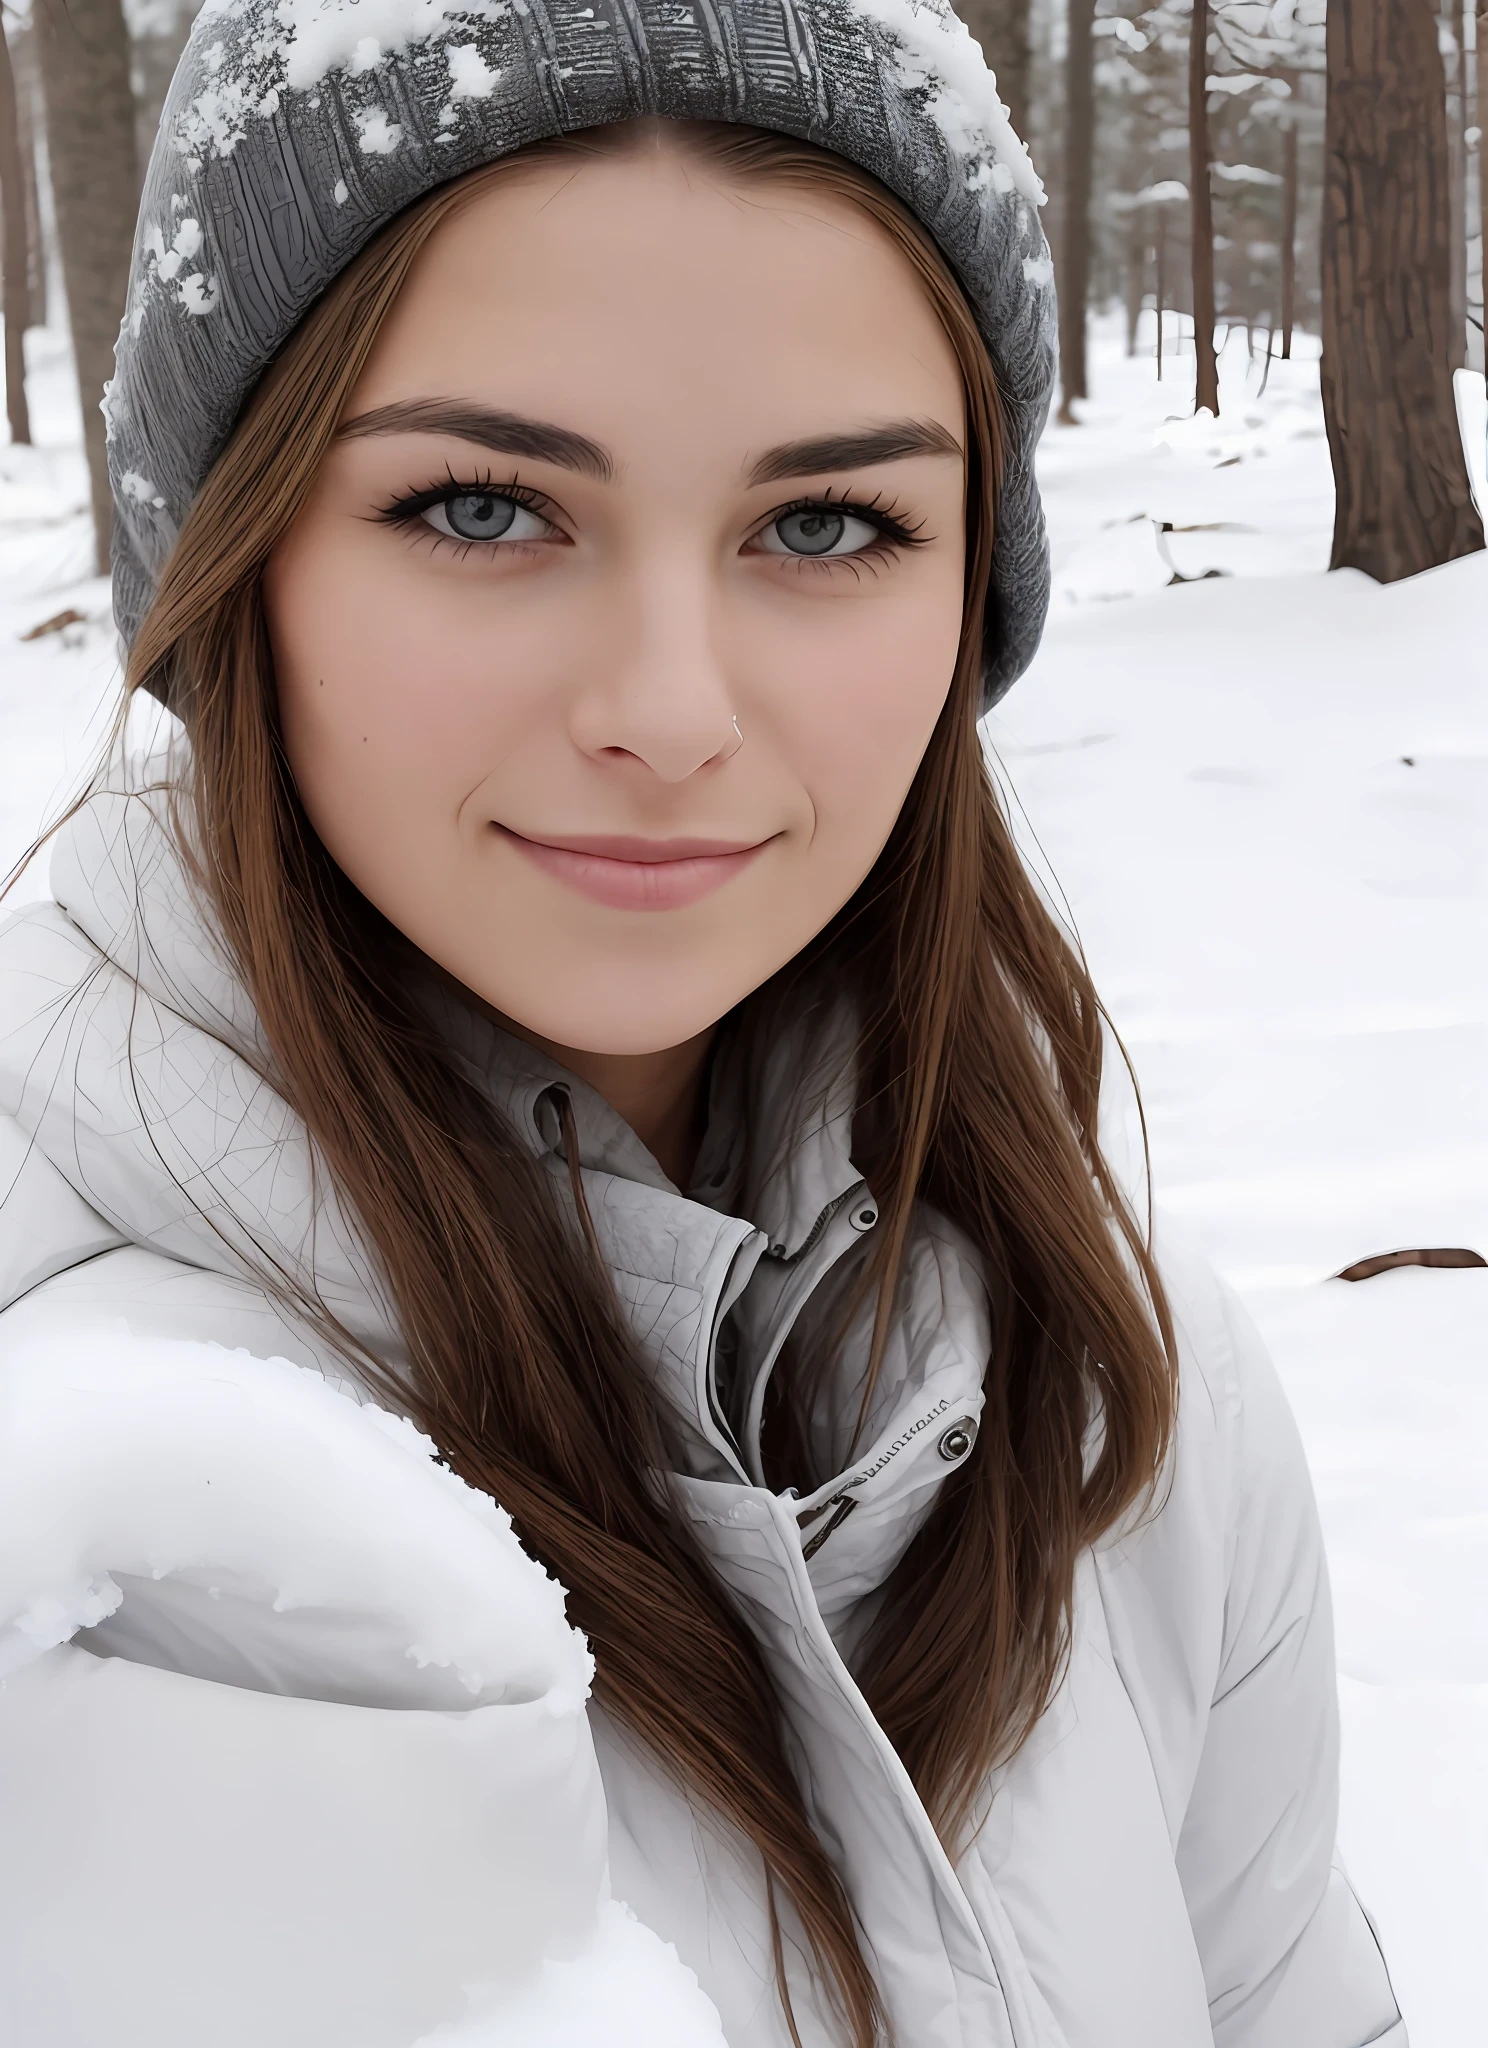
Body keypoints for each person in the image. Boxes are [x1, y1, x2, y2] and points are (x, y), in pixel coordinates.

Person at [0, 1, 1404, 2044]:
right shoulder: (74, 1533)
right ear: (237, 564)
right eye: (483, 507)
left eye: (826, 524)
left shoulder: (1118, 1395)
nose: (670, 706)